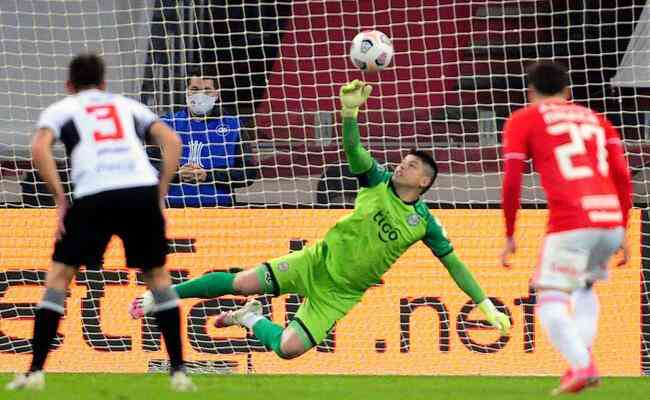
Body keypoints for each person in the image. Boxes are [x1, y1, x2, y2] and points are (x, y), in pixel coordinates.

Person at [129, 80, 511, 361]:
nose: (402, 164)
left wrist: (485, 304)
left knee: (288, 349)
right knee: (242, 281)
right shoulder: (376, 180)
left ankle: (249, 319)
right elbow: (354, 149)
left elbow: (454, 264)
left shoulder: (424, 222)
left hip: (340, 293)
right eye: (403, 159)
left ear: (423, 181)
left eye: (411, 165)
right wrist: (349, 113)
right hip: (315, 261)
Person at [6, 53, 195, 392]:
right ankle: (179, 372)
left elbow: (39, 149)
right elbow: (172, 140)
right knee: (157, 278)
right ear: (104, 84)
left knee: (60, 277)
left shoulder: (62, 109)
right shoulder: (127, 105)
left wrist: (61, 198)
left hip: (94, 193)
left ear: (69, 85)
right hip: (140, 191)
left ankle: (35, 371)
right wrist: (161, 190)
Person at [500, 62, 632, 395]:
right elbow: (622, 174)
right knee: (586, 289)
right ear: (568, 92)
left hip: (572, 222)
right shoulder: (598, 120)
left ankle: (582, 365)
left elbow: (513, 180)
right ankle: (579, 361)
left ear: (531, 92)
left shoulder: (524, 119)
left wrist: (510, 232)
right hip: (610, 220)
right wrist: (624, 228)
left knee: (550, 299)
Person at [160, 65, 257, 207]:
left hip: (219, 210)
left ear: (217, 94)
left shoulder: (234, 125)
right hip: (173, 209)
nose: (200, 95)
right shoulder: (166, 124)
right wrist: (177, 174)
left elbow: (248, 173)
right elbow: (146, 168)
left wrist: (208, 175)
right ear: (186, 92)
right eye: (195, 89)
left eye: (207, 90)